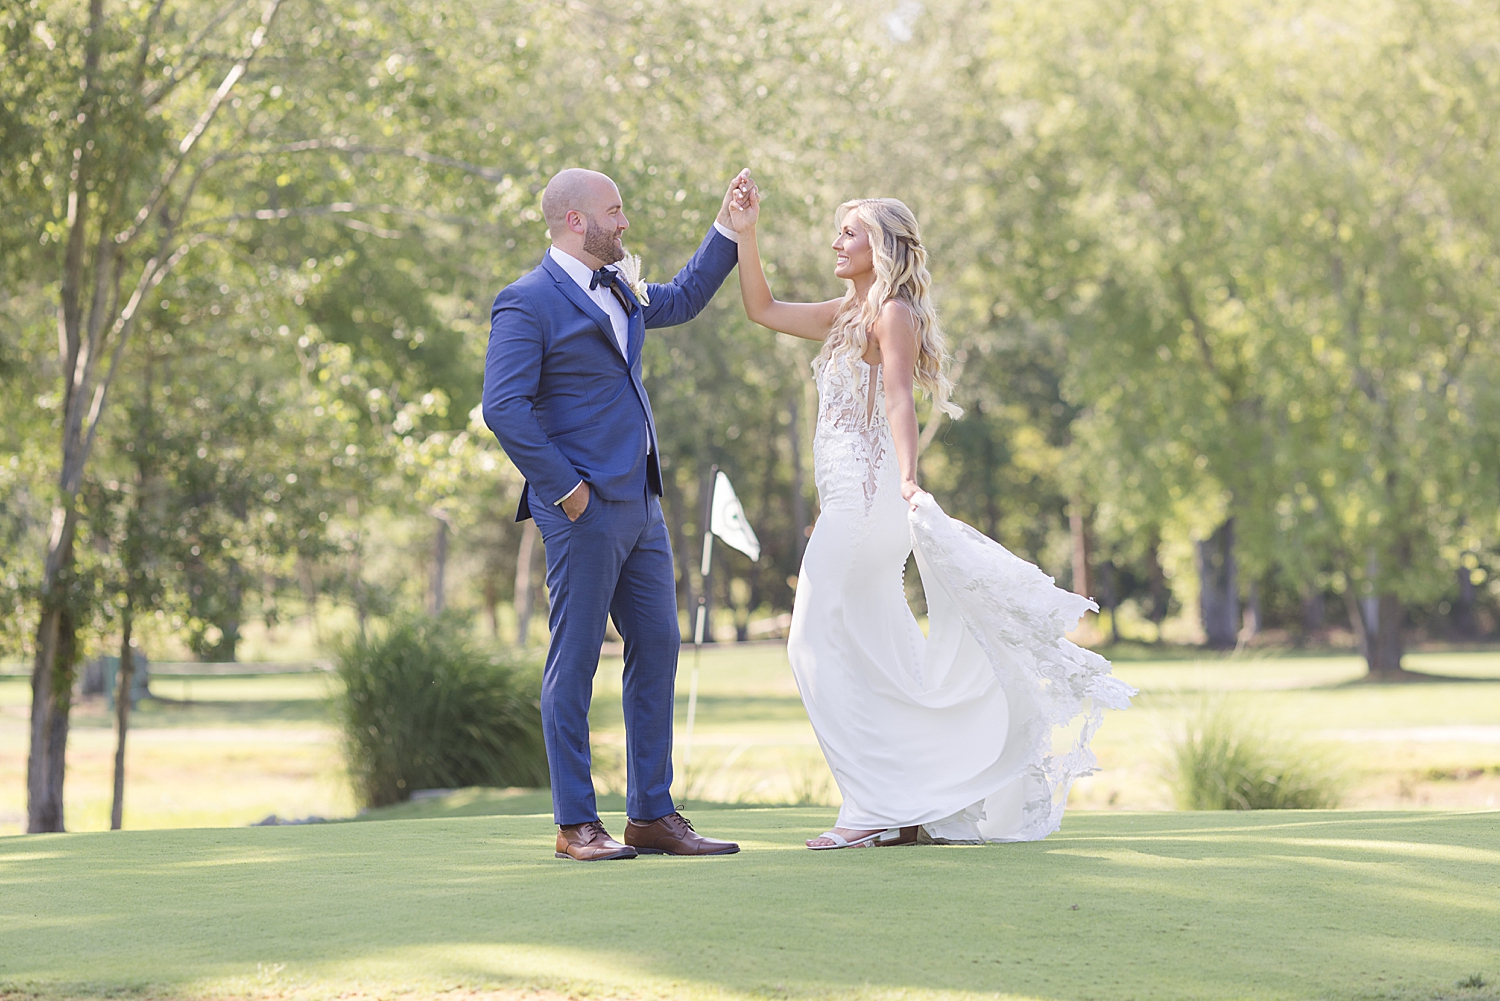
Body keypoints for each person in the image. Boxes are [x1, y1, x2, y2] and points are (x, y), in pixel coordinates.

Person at [726, 183, 1136, 848]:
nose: (836, 241)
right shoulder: (845, 313)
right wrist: (745, 235)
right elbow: (762, 308)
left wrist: (910, 477)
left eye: (850, 232)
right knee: (881, 653)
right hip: (848, 502)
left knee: (810, 646)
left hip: (865, 502)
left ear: (882, 246)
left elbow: (897, 399)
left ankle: (867, 808)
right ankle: (914, 802)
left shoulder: (892, 312)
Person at [483, 168, 748, 861]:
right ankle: (576, 824)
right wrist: (568, 489)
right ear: (576, 220)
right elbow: (503, 407)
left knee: (659, 645)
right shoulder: (525, 302)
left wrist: (728, 227)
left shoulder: (623, 285)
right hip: (581, 508)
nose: (624, 223)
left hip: (642, 503)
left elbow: (686, 297)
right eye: (615, 210)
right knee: (574, 662)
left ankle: (652, 814)